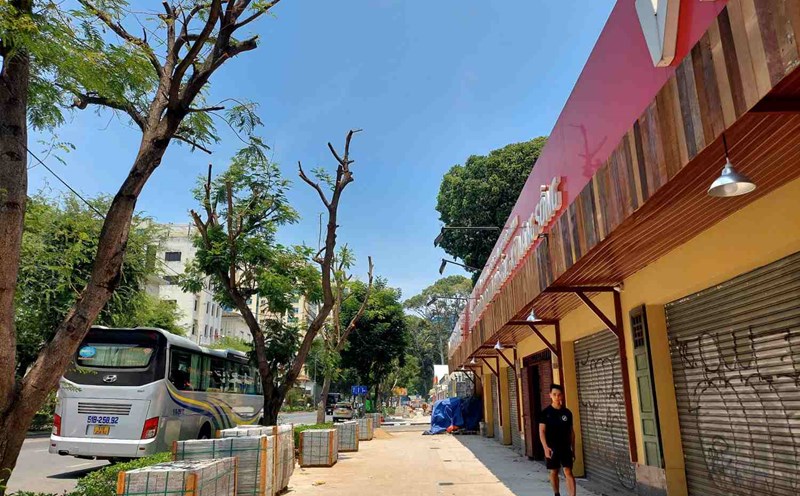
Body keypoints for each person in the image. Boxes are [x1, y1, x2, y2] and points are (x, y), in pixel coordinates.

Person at [539, 384, 576, 496]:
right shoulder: (545, 413)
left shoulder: (567, 413)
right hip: (552, 447)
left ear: (562, 396)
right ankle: (557, 493)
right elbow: (542, 432)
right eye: (554, 394)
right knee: (554, 471)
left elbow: (571, 432)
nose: (557, 397)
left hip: (565, 447)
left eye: (559, 395)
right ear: (550, 395)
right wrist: (545, 448)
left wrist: (573, 449)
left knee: (568, 471)